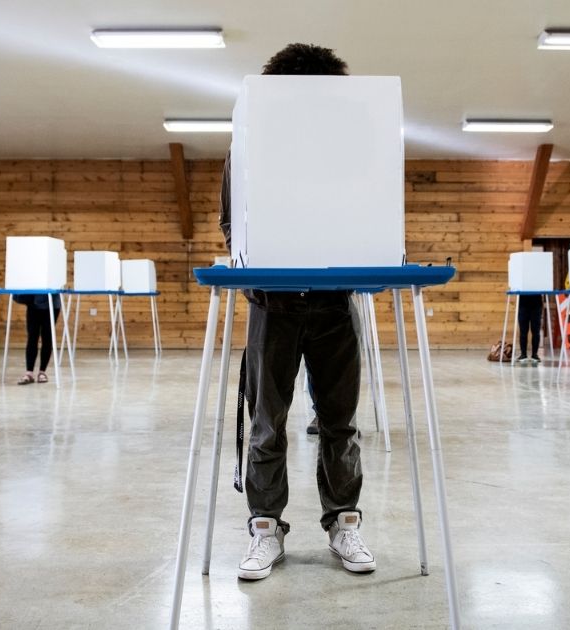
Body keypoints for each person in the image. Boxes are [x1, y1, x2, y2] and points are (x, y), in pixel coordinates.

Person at [220, 43, 374, 581]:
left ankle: (344, 523)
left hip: (334, 304)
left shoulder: (349, 150)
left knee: (340, 424)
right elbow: (231, 226)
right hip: (274, 306)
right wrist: (258, 283)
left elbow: (367, 215)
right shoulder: (247, 149)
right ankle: (265, 529)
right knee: (267, 425)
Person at [15, 293, 61, 384]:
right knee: (32, 337)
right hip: (33, 304)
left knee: (47, 337)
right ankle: (29, 373)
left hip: (52, 305)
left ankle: (42, 372)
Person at [514, 294, 543, 365]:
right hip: (523, 304)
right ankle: (523, 354)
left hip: (536, 304)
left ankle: (535, 354)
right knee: (523, 331)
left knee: (536, 331)